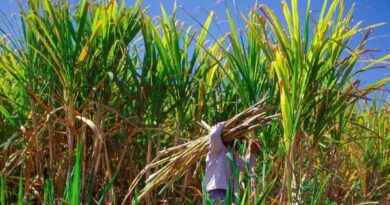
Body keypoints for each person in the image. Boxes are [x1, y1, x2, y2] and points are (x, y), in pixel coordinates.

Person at [205, 122, 260, 204]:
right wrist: (224, 124)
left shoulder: (232, 155)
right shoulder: (217, 148)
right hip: (217, 192)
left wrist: (252, 152)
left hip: (229, 193)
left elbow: (246, 167)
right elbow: (214, 135)